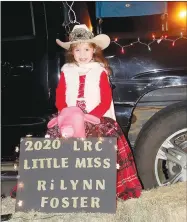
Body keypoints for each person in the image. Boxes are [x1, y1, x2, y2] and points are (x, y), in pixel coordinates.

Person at [46, 24, 142, 200]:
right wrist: (66, 114)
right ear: (72, 53)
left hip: (95, 117)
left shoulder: (99, 71)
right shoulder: (67, 71)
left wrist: (91, 117)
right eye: (77, 50)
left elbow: (105, 99)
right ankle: (68, 193)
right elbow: (60, 96)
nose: (82, 55)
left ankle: (102, 192)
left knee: (100, 151)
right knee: (60, 151)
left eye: (86, 49)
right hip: (70, 119)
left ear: (93, 50)